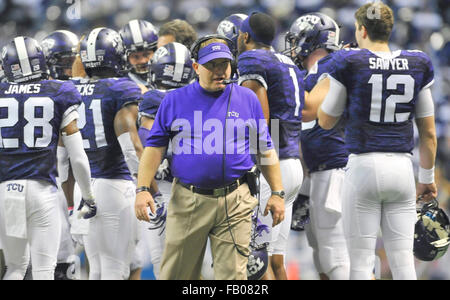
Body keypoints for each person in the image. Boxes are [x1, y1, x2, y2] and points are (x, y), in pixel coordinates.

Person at [135, 36, 285, 279]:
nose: (219, 71)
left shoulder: (247, 98)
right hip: (188, 199)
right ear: (196, 67)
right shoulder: (173, 100)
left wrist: (278, 192)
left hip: (236, 199)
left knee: (233, 278)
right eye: (211, 65)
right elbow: (154, 148)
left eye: (223, 64)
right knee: (177, 275)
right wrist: (142, 188)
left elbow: (266, 148)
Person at [309, 2, 437, 280]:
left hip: (363, 168)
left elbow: (325, 120)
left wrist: (327, 85)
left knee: (360, 263)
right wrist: (427, 177)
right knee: (403, 262)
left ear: (362, 30)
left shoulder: (351, 62)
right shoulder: (418, 62)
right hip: (403, 169)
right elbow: (427, 132)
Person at [0, 36, 95, 280]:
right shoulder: (59, 92)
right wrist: (88, 196)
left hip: (6, 192)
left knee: (15, 268)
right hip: (43, 192)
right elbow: (77, 155)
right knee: (44, 270)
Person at [237, 12, 304, 280]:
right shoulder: (287, 62)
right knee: (276, 262)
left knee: (255, 264)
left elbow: (257, 116)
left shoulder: (250, 59)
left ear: (244, 37)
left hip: (269, 169)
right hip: (292, 165)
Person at [74, 27, 143, 280]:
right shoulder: (122, 89)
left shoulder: (69, 88)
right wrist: (147, 186)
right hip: (115, 185)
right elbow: (131, 146)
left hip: (83, 186)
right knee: (116, 269)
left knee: (97, 268)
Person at [285, 13, 350, 280]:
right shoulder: (312, 71)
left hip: (336, 169)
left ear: (308, 40)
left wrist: (280, 80)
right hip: (317, 171)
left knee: (338, 259)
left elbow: (308, 110)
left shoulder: (334, 63)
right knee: (321, 258)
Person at [137, 42, 194, 279]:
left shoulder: (152, 98)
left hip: (162, 187)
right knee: (193, 262)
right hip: (196, 185)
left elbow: (146, 142)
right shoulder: (199, 96)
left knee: (162, 262)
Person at [41, 29, 81, 280]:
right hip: (53, 184)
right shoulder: (58, 93)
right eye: (65, 63)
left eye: (73, 61)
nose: (71, 69)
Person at [120, 19, 159, 89]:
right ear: (126, 58)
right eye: (135, 57)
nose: (142, 61)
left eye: (146, 54)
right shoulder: (121, 86)